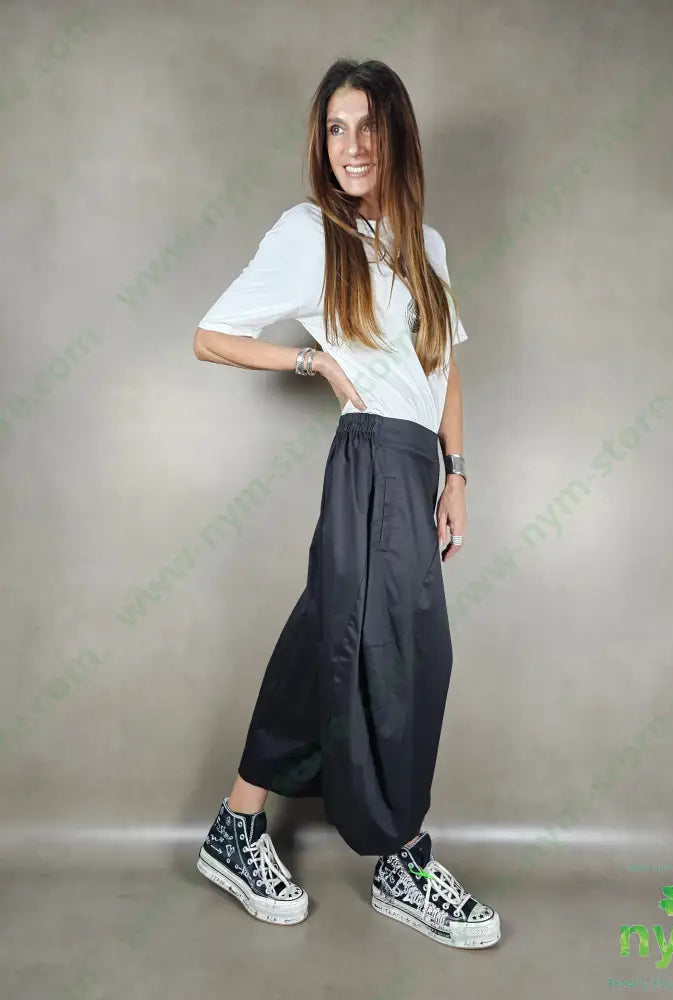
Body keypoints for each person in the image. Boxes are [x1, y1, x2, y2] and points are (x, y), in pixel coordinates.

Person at [191, 58, 501, 950]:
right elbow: (211, 336)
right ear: (321, 141)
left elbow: (443, 368)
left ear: (397, 134)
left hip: (414, 466)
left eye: (369, 126)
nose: (352, 145)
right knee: (399, 653)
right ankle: (403, 859)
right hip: (366, 457)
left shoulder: (426, 245)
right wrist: (312, 360)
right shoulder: (308, 233)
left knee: (332, 632)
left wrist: (457, 473)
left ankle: (236, 824)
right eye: (336, 127)